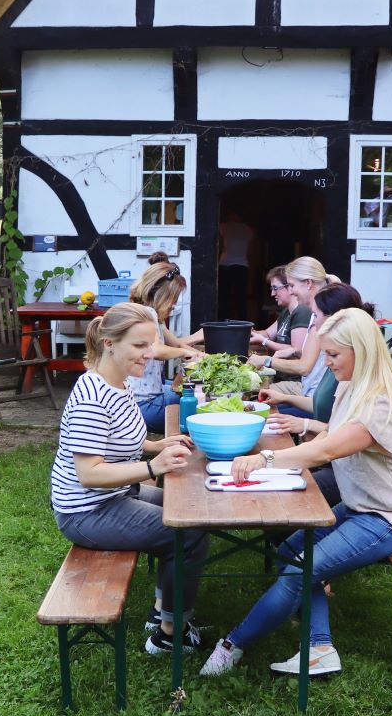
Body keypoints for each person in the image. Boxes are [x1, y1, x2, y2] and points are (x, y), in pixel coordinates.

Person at [200, 307, 392, 679]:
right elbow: (328, 434)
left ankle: (232, 646)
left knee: (299, 569)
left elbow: (327, 450)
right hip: (364, 507)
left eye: (333, 355)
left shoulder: (381, 402)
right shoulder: (352, 385)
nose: (325, 363)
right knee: (293, 551)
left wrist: (267, 458)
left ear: (363, 351)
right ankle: (320, 648)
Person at [51, 302, 211, 653]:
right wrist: (155, 467)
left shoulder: (119, 384)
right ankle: (169, 633)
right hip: (87, 511)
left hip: (115, 495)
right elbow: (89, 474)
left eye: (150, 345)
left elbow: (125, 437)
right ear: (109, 343)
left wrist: (157, 445)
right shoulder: (92, 398)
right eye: (140, 346)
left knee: (191, 509)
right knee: (189, 532)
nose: (150, 354)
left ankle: (162, 611)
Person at [263, 282, 377, 508]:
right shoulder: (342, 365)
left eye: (315, 315)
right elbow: (328, 416)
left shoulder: (355, 375)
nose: (312, 322)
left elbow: (331, 444)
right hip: (338, 462)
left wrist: (265, 460)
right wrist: (286, 399)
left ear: (335, 319)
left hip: (351, 472)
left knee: (284, 492)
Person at [125, 263, 199, 432]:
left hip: (136, 399)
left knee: (180, 390)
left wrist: (207, 357)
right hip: (143, 406)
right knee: (198, 407)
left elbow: (178, 344)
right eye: (173, 298)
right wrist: (185, 353)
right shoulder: (148, 314)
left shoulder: (149, 314)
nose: (174, 304)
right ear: (161, 294)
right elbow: (156, 350)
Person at [247, 256, 336, 395]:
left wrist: (266, 360)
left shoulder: (322, 315)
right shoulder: (317, 312)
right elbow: (317, 356)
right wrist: (295, 351)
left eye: (292, 286)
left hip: (312, 399)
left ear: (308, 283)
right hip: (309, 395)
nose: (291, 292)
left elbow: (304, 367)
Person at [249, 266, 310, 357]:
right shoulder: (286, 312)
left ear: (289, 287)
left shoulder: (302, 311)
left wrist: (264, 341)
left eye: (275, 288)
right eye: (272, 289)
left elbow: (297, 350)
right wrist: (247, 333)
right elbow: (268, 334)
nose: (272, 294)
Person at [217, 208, 255, 319]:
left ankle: (223, 320)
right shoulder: (248, 230)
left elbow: (217, 243)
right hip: (242, 265)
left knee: (224, 296)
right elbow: (250, 251)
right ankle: (242, 321)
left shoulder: (223, 226)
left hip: (225, 264)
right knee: (241, 297)